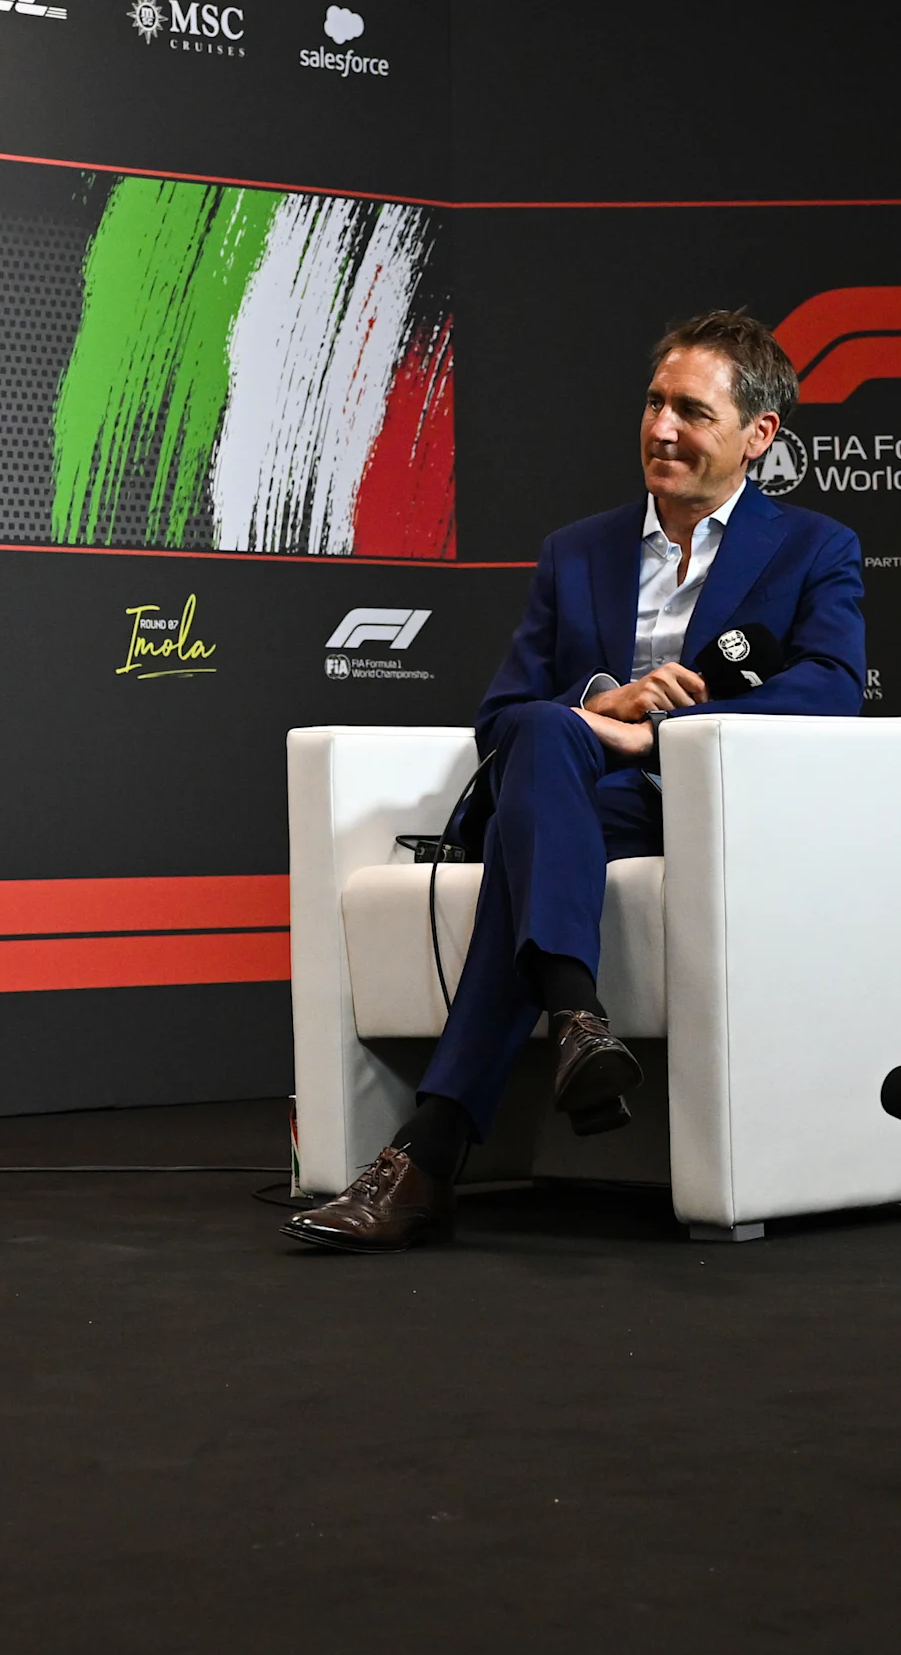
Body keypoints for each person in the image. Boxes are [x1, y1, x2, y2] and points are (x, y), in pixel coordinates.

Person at [286, 311, 866, 1252]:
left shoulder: (812, 548)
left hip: (701, 807)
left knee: (533, 826)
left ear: (759, 436)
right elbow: (502, 716)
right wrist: (607, 703)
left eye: (691, 411)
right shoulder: (577, 550)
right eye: (652, 403)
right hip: (573, 794)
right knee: (549, 735)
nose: (662, 429)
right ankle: (571, 1023)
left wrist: (669, 731)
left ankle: (435, 1151)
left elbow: (832, 689)